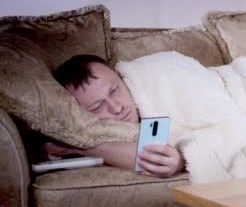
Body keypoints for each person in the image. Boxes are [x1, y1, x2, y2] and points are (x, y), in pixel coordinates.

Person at [46, 54, 185, 178]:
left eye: (113, 90)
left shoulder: (149, 83)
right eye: (97, 107)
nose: (117, 108)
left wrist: (78, 147)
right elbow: (153, 158)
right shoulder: (95, 128)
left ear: (120, 76)